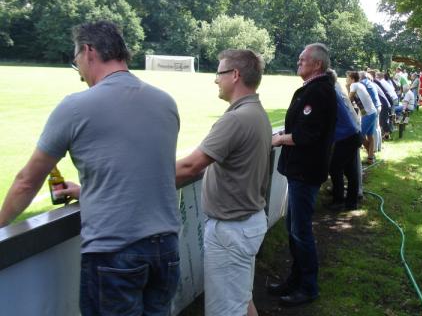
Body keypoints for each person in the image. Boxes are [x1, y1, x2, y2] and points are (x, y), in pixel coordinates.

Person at [0, 21, 181, 315]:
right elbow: (142, 175)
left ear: (88, 51)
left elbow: (26, 181)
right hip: (166, 251)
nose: (80, 74)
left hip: (114, 254)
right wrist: (88, 192)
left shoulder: (75, 107)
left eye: (76, 63)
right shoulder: (165, 102)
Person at [175, 49, 272, 316]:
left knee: (225, 310)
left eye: (219, 73)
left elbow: (190, 166)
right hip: (246, 225)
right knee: (241, 300)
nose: (216, 80)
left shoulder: (235, 119)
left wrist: (136, 180)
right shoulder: (256, 112)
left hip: (231, 232)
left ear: (235, 75)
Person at [269, 43, 337, 306]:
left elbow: (306, 135)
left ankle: (308, 287)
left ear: (317, 64)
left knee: (300, 231)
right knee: (293, 228)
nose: (298, 61)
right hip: (300, 170)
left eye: (302, 59)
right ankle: (296, 278)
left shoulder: (318, 92)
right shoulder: (314, 89)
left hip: (305, 172)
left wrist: (278, 140)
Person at [326, 69, 362, 212]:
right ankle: (351, 202)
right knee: (350, 170)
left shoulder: (331, 92)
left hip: (347, 136)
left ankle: (338, 201)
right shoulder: (337, 88)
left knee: (335, 168)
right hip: (354, 133)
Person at [347, 71, 377, 165]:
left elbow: (349, 100)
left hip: (368, 114)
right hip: (372, 112)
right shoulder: (360, 84)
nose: (347, 79)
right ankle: (371, 157)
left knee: (359, 136)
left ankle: (367, 157)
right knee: (370, 136)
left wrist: (347, 87)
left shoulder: (354, 85)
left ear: (352, 79)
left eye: (348, 78)